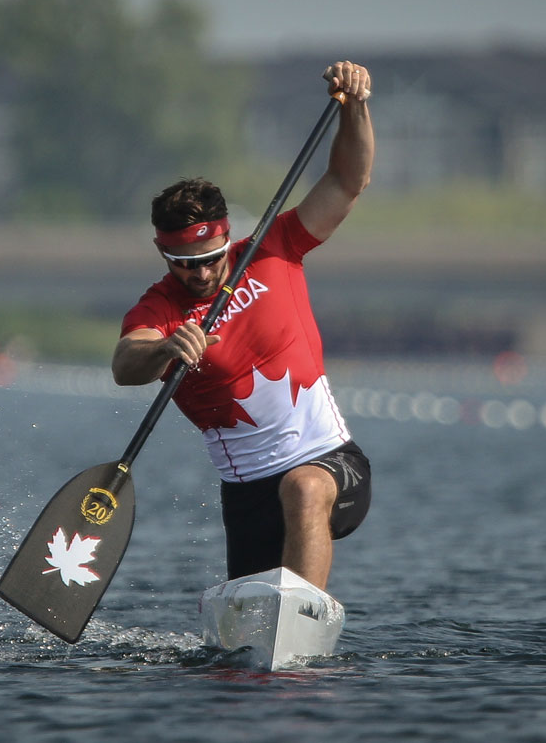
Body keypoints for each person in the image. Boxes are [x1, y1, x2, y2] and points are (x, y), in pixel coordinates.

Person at [111, 61, 375, 590]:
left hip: (330, 465)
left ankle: (304, 623)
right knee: (246, 662)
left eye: (211, 257)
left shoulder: (275, 247)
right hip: (247, 494)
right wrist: (164, 348)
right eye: (185, 263)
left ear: (226, 238)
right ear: (163, 254)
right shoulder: (159, 308)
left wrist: (356, 107)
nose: (202, 273)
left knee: (303, 488)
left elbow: (348, 181)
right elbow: (125, 364)